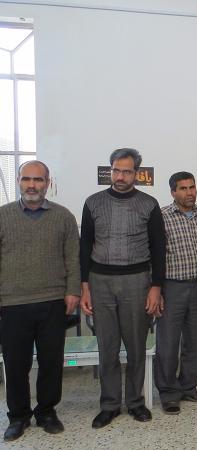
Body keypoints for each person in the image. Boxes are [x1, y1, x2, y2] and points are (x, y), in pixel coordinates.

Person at [80, 148, 166, 428]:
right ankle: (109, 405)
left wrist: (156, 287)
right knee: (107, 347)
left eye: (126, 172)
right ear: (110, 170)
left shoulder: (149, 204)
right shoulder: (93, 203)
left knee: (136, 346)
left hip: (137, 282)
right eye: (116, 170)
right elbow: (85, 246)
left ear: (136, 174)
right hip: (100, 282)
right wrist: (85, 287)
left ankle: (136, 402)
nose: (120, 176)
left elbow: (159, 249)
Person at [0, 161, 80, 441]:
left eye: (38, 179)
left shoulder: (64, 217)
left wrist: (73, 291)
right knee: (15, 364)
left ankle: (46, 411)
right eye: (26, 179)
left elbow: (73, 258)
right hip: (12, 303)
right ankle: (18, 416)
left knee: (51, 362)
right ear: (18, 181)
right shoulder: (3, 216)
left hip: (53, 301)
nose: (32, 185)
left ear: (48, 183)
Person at [154, 172, 197, 415]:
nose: (189, 192)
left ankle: (188, 386)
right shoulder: (162, 217)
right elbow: (154, 257)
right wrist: (156, 290)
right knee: (168, 343)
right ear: (173, 192)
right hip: (171, 288)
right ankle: (168, 393)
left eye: (192, 187)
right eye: (183, 188)